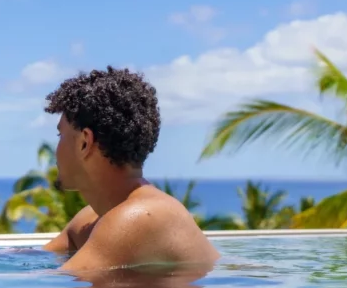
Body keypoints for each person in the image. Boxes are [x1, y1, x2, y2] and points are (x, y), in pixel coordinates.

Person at [42, 66, 219, 271]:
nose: (56, 150)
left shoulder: (138, 217)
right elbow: (29, 261)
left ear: (84, 142)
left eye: (60, 135)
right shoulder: (91, 220)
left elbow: (53, 283)